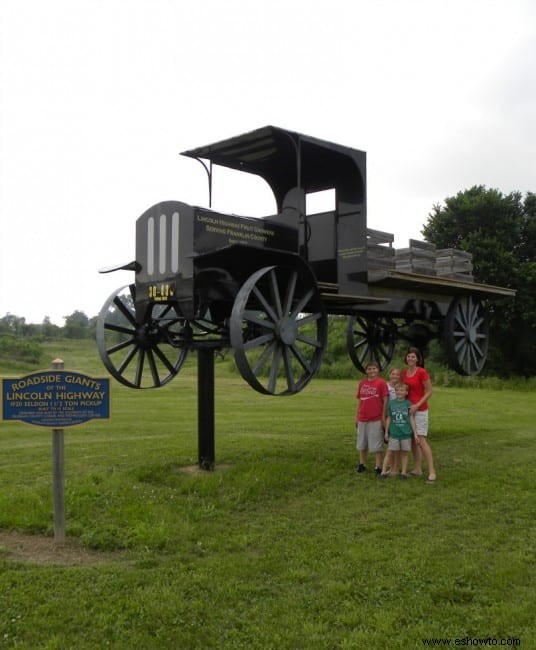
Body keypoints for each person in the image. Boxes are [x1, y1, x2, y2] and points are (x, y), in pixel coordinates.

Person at [401, 347, 436, 483]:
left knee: (420, 440)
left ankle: (432, 471)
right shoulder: (405, 373)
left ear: (417, 359)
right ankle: (417, 469)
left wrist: (417, 405)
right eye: (409, 356)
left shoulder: (421, 372)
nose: (410, 359)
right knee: (412, 440)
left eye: (413, 357)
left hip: (420, 409)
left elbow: (429, 391)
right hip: (408, 410)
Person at [355, 360, 389, 475]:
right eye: (369, 369)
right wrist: (356, 417)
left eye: (374, 368)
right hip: (362, 417)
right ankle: (362, 464)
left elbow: (385, 401)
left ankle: (378, 466)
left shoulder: (381, 383)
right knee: (362, 443)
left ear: (378, 370)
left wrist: (383, 416)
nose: (372, 370)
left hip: (376, 418)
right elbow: (360, 401)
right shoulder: (362, 383)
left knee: (377, 444)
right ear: (366, 371)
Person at [380, 381, 419, 479]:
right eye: (397, 390)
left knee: (404, 454)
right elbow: (389, 418)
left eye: (402, 390)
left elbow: (411, 419)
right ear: (395, 391)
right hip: (394, 433)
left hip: (406, 434)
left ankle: (403, 472)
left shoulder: (408, 403)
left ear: (406, 392)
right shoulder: (391, 403)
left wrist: (415, 434)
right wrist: (386, 432)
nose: (399, 392)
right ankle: (383, 472)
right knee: (390, 452)